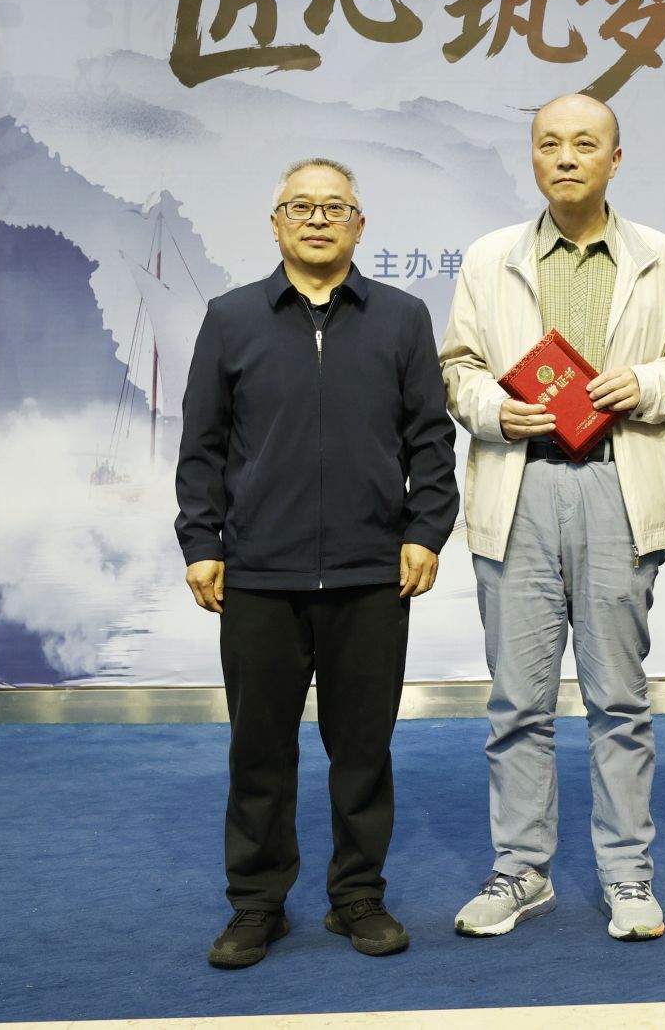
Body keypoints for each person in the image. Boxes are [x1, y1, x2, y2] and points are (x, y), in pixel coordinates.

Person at [176, 158, 458, 969]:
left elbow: (430, 439)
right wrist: (202, 542)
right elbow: (202, 444)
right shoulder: (231, 318)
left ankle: (357, 895)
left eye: (335, 207)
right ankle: (257, 903)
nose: (317, 219)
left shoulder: (402, 317)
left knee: (363, 749)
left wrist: (426, 530)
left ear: (359, 225)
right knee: (259, 749)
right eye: (300, 206)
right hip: (259, 572)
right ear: (275, 223)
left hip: (373, 573)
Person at [439, 93, 665, 941]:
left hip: (616, 484)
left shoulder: (663, 258)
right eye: (549, 143)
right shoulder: (490, 258)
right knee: (516, 700)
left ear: (614, 159)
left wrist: (646, 384)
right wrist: (495, 409)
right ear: (532, 157)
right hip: (519, 486)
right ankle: (522, 869)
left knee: (618, 698)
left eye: (584, 143)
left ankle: (628, 874)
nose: (565, 156)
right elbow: (458, 367)